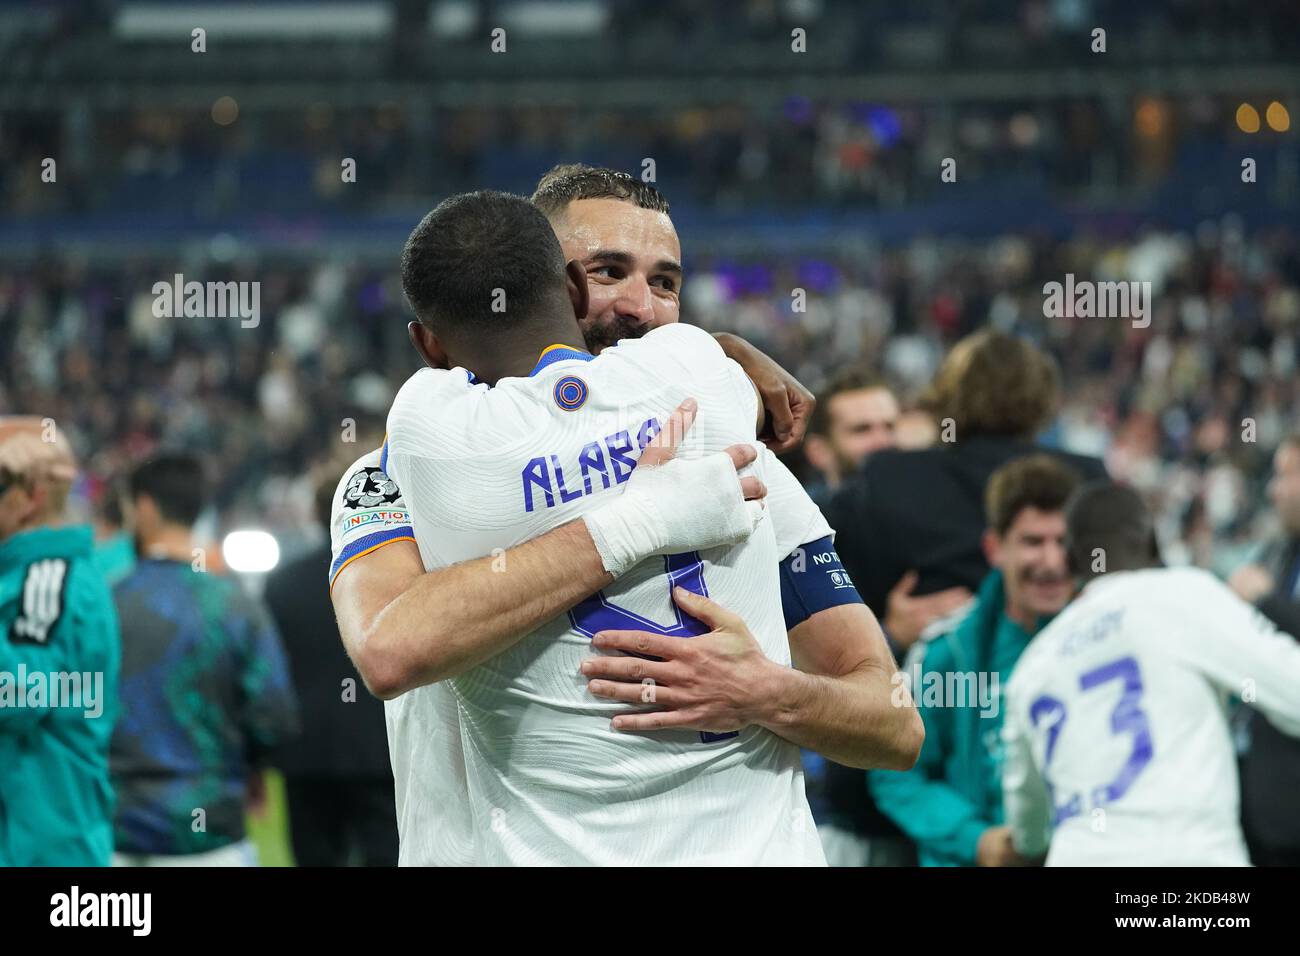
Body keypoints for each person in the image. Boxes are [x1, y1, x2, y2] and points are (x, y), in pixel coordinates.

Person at [332, 190, 920, 865]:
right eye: (611, 272)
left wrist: (771, 692)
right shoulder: (385, 484)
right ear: (565, 285)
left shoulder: (739, 460)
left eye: (665, 282)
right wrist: (648, 508)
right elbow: (391, 648)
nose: (642, 307)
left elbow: (894, 724)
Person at [1001, 482, 1300, 866]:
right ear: (1152, 540)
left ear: (1071, 560)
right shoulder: (1186, 595)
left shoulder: (1034, 663)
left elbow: (1026, 821)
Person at [827, 329, 1107, 653]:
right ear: (1044, 398)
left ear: (947, 395)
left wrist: (886, 634)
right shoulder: (1088, 478)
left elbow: (830, 598)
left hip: (920, 686)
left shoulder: (888, 476)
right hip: (1067, 668)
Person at [871, 454, 1079, 866]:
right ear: (994, 548)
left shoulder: (1109, 644)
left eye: (1064, 542)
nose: (1052, 562)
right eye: (1033, 542)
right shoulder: (950, 653)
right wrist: (976, 840)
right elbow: (897, 772)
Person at [110, 453, 299, 866]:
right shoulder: (233, 605)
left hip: (121, 833)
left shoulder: (107, 604)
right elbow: (275, 714)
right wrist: (252, 767)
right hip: (213, 836)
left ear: (144, 507)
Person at [0, 417, 120, 866]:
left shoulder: (48, 577)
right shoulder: (35, 575)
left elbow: (18, 694)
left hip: (38, 848)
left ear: (29, 497)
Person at [264, 470, 396, 867]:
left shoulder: (283, 583)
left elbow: (269, 675)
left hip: (307, 756)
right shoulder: (392, 581)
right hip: (379, 752)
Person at [1226, 432, 1300, 865]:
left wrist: (1265, 599)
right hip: (1263, 791)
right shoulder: (1279, 551)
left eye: (1285, 475)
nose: (1272, 490)